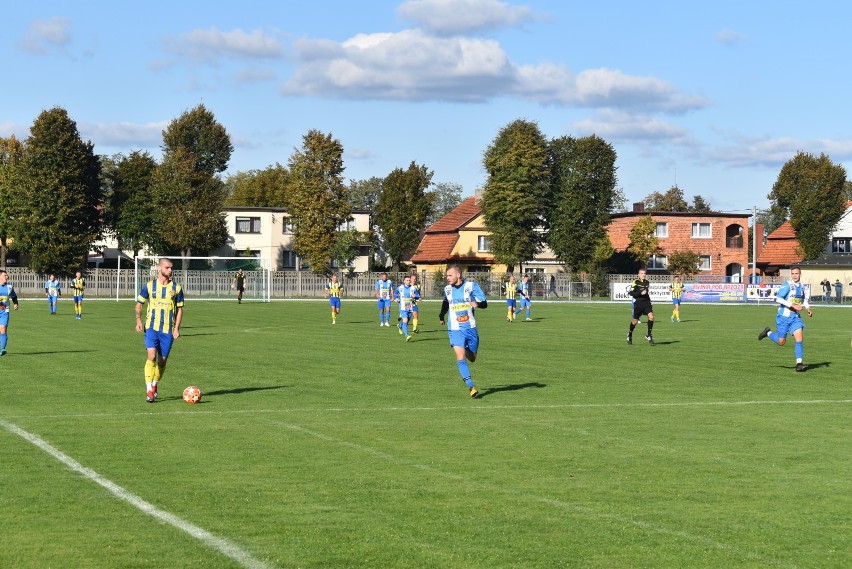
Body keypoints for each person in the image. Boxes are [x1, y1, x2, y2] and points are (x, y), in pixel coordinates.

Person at [135, 258, 185, 402]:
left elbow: (180, 309)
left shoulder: (177, 288)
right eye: (167, 267)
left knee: (162, 361)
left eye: (171, 268)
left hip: (167, 330)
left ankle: (155, 384)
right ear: (159, 268)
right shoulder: (149, 286)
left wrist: (176, 328)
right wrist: (138, 320)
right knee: (151, 356)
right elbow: (139, 304)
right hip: (151, 327)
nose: (170, 270)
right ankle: (149, 390)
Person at [439, 265, 488, 398]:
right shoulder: (447, 289)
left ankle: (467, 349)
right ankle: (471, 386)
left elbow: (484, 302)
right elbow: (445, 303)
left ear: (458, 275)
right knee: (460, 357)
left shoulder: (471, 286)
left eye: (450, 275)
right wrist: (441, 315)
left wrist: (478, 304)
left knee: (472, 358)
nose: (447, 278)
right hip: (455, 328)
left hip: (470, 328)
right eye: (447, 275)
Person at [758, 266, 812, 372]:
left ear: (800, 274)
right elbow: (778, 298)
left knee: (799, 338)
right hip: (783, 317)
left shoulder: (802, 287)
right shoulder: (787, 285)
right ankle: (768, 333)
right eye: (793, 273)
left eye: (797, 273)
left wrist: (808, 308)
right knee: (781, 342)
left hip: (795, 318)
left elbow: (803, 300)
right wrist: (793, 305)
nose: (795, 275)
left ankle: (799, 364)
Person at [627, 268, 655, 345]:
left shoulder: (647, 282)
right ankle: (629, 334)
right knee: (635, 321)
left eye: (644, 273)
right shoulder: (636, 282)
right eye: (642, 273)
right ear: (638, 274)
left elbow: (646, 293)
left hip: (646, 303)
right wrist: (640, 292)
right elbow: (631, 293)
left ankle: (649, 335)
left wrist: (650, 301)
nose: (643, 274)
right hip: (638, 303)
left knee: (651, 317)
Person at [0, 270, 20, 356]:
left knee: (3, 329)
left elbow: (14, 296)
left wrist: (15, 303)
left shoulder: (9, 287)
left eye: (7, 275)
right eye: (5, 275)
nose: (7, 277)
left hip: (4, 312)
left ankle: (3, 349)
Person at [394, 275, 419, 342]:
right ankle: (407, 336)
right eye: (407, 280)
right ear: (404, 281)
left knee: (406, 322)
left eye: (409, 280)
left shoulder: (413, 288)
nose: (408, 281)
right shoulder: (400, 288)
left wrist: (415, 296)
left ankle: (400, 325)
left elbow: (418, 296)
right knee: (405, 320)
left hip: (410, 308)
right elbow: (395, 293)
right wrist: (396, 298)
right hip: (402, 308)